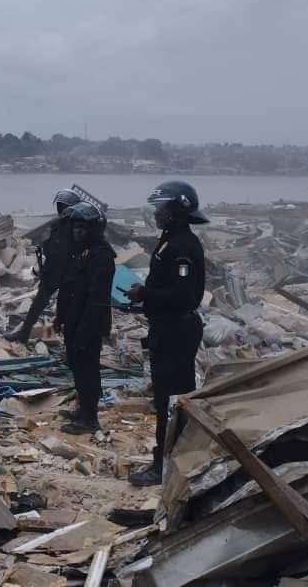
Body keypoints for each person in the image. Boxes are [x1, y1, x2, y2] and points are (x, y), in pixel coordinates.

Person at [126, 181, 208, 487]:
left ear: (176, 210)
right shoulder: (170, 241)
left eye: (162, 208)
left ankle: (166, 466)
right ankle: (169, 459)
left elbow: (183, 294)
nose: (157, 214)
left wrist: (145, 293)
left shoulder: (183, 247)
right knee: (165, 399)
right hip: (168, 328)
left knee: (171, 401)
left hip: (177, 330)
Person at [55, 202, 116, 435]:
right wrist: (60, 317)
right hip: (74, 320)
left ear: (94, 229)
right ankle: (83, 410)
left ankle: (90, 419)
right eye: (75, 227)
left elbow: (97, 300)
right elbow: (68, 287)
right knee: (77, 367)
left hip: (88, 324)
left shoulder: (102, 257)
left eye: (82, 227)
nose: (77, 232)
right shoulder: (80, 252)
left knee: (88, 370)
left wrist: (85, 330)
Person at [10, 189, 82, 344]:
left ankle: (72, 341)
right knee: (37, 304)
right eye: (60, 205)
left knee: (68, 307)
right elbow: (51, 247)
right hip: (53, 270)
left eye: (64, 206)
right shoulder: (58, 224)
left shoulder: (78, 227)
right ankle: (23, 334)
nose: (62, 208)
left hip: (68, 273)